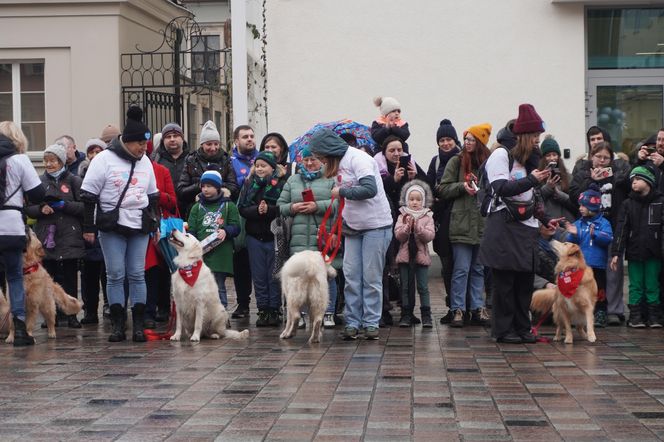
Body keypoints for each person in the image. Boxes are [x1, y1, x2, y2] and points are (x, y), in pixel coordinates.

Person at [81, 106, 159, 343]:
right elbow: (88, 196)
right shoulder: (104, 160)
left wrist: (155, 225)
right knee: (115, 274)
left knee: (137, 274)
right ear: (127, 141)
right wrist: (88, 228)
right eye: (139, 145)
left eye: (145, 145)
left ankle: (137, 325)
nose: (143, 149)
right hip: (112, 224)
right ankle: (117, 324)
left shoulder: (144, 161)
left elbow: (152, 196)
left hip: (138, 224)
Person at [479, 103, 555, 344]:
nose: (537, 141)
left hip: (528, 226)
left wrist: (546, 219)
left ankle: (523, 328)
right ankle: (503, 330)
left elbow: (533, 195)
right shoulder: (500, 155)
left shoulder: (530, 159)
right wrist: (532, 180)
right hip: (504, 225)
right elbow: (501, 188)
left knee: (524, 283)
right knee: (505, 284)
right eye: (534, 136)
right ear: (523, 135)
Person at [309, 128, 393, 340]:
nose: (320, 161)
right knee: (351, 275)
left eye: (320, 157)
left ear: (328, 151)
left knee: (371, 276)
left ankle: (371, 322)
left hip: (376, 225)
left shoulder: (359, 159)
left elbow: (369, 189)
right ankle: (353, 322)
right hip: (353, 227)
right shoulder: (338, 164)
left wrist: (342, 192)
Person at [277, 147, 341, 327]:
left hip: (322, 235)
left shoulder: (330, 179)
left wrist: (317, 206)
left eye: (313, 159)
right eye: (306, 160)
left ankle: (328, 313)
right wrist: (293, 208)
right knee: (301, 276)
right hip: (298, 237)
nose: (309, 163)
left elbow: (338, 203)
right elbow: (280, 205)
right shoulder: (293, 179)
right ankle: (303, 314)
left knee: (327, 275)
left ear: (321, 160)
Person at [24, 143, 85, 328]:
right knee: (49, 278)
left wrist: (64, 206)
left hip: (69, 234)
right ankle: (54, 315)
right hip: (47, 236)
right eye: (46, 161)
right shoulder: (39, 182)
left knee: (69, 276)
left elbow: (84, 207)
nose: (49, 164)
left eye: (53, 161)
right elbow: (29, 209)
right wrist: (42, 208)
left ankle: (72, 314)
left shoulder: (73, 180)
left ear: (61, 161)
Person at [570, 141, 630, 326]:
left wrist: (616, 177)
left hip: (609, 227)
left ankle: (613, 309)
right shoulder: (582, 173)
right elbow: (574, 197)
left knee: (613, 271)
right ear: (591, 157)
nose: (602, 161)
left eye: (606, 158)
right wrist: (592, 181)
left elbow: (628, 189)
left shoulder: (617, 174)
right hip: (588, 230)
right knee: (589, 271)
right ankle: (589, 309)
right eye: (598, 157)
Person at [438, 123, 492, 328]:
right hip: (460, 223)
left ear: (480, 142)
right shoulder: (456, 161)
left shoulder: (488, 163)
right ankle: (457, 309)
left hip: (482, 222)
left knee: (478, 268)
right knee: (460, 269)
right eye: (466, 139)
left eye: (471, 140)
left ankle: (477, 307)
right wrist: (462, 186)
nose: (467, 143)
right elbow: (442, 188)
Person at [0, 121, 46, 346]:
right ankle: (19, 329)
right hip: (10, 226)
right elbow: (37, 193)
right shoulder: (19, 160)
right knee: (14, 276)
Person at [237, 151, 287, 327]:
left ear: (272, 167)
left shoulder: (280, 183)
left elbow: (283, 206)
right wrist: (257, 210)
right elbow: (242, 208)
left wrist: (270, 210)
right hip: (254, 235)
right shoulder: (249, 183)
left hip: (273, 235)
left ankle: (274, 308)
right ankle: (263, 308)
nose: (259, 169)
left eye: (263, 165)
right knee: (258, 276)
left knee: (274, 274)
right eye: (257, 165)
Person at [611, 166, 663, 328]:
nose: (633, 182)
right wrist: (616, 252)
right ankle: (635, 316)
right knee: (635, 285)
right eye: (632, 180)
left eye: (637, 179)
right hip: (634, 252)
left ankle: (654, 316)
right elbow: (622, 228)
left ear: (648, 182)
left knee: (652, 284)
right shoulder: (628, 204)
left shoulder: (660, 202)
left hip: (654, 252)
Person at [187, 170, 240, 308]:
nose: (205, 189)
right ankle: (203, 315)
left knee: (218, 284)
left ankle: (221, 315)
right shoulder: (196, 207)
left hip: (221, 253)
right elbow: (191, 230)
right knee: (201, 286)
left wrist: (226, 231)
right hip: (201, 254)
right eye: (203, 186)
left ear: (218, 187)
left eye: (209, 186)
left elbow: (236, 227)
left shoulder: (229, 206)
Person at [563, 184, 613, 325]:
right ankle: (580, 314)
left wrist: (595, 234)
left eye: (583, 206)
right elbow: (571, 244)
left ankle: (601, 312)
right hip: (581, 266)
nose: (580, 208)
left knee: (599, 289)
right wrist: (572, 235)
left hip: (598, 265)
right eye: (580, 206)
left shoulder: (604, 223)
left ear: (592, 207)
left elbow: (608, 238)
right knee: (581, 290)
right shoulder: (578, 223)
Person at [426, 119, 461, 314]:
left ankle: (462, 305)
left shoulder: (464, 159)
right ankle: (452, 306)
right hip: (442, 219)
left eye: (449, 139)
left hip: (460, 219)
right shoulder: (436, 161)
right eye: (442, 140)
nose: (446, 143)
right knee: (447, 264)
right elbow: (430, 186)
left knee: (462, 265)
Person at [144, 140, 177, 327]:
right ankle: (146, 309)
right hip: (137, 225)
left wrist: (156, 194)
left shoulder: (161, 171)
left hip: (159, 226)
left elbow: (173, 201)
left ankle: (162, 308)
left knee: (161, 268)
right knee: (145, 270)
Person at [394, 180, 435, 327]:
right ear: (406, 200)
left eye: (418, 199)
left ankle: (426, 315)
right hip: (405, 256)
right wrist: (406, 228)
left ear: (423, 201)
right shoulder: (402, 215)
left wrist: (418, 228)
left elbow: (429, 236)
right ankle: (406, 314)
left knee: (423, 287)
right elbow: (398, 235)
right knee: (405, 286)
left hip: (421, 256)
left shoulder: (427, 216)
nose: (415, 202)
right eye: (411, 199)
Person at [176, 120, 238, 216]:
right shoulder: (191, 160)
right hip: (196, 212)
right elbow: (181, 191)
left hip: (221, 212)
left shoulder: (226, 160)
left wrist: (215, 184)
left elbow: (233, 188)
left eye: (216, 144)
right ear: (202, 144)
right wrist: (201, 185)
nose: (213, 148)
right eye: (209, 144)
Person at [229, 125, 259, 319]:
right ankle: (243, 303)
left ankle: (269, 304)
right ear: (236, 141)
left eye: (251, 136)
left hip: (259, 216)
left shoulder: (262, 158)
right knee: (241, 263)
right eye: (245, 137)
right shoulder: (229, 162)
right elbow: (230, 185)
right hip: (239, 215)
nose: (249, 139)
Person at [152, 122, 190, 214]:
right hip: (165, 212)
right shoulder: (155, 160)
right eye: (168, 137)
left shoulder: (192, 159)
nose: (172, 139)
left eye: (176, 136)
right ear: (163, 140)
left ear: (182, 138)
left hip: (189, 210)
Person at [538, 135, 576, 222]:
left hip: (568, 223)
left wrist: (561, 195)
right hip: (549, 223)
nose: (552, 158)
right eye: (548, 155)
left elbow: (576, 204)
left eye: (554, 155)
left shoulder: (568, 177)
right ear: (543, 158)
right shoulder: (538, 176)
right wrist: (547, 188)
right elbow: (536, 202)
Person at [634, 128, 664, 194]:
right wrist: (639, 161)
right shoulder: (650, 161)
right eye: (658, 139)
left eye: (663, 140)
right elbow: (631, 182)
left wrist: (663, 165)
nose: (660, 143)